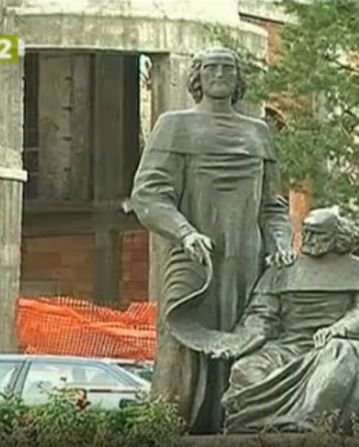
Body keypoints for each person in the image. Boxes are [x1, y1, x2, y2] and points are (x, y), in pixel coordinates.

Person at [128, 47, 295, 434]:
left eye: (228, 68)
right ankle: (170, 428)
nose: (220, 74)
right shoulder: (174, 126)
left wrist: (281, 243)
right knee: (183, 342)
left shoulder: (258, 133)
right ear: (197, 78)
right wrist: (184, 232)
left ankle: (239, 426)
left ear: (239, 80)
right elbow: (148, 195)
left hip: (247, 260)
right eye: (211, 68)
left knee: (248, 337)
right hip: (194, 257)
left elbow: (273, 206)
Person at [213, 207, 359, 434]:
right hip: (287, 347)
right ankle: (259, 426)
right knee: (246, 368)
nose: (308, 239)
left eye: (317, 233)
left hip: (333, 345)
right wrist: (240, 342)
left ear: (337, 236)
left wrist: (341, 328)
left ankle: (311, 425)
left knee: (340, 358)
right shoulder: (283, 270)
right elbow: (261, 315)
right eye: (306, 232)